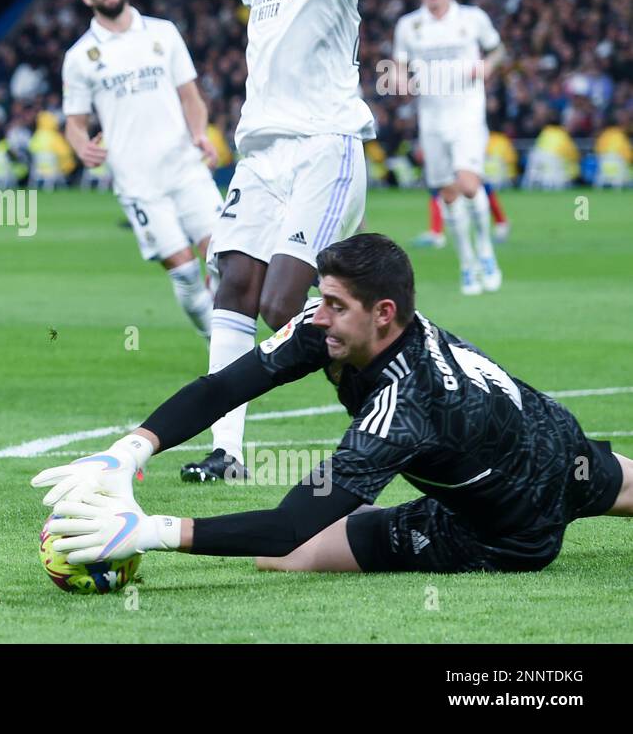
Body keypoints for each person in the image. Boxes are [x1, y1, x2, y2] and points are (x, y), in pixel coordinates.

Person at [33, 233, 632, 573]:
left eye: (336, 305)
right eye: (320, 298)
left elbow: (287, 528)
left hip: (507, 530)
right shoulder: (331, 328)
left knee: (283, 562)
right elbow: (224, 387)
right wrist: (130, 449)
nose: (318, 315)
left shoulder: (405, 408)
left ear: (385, 314)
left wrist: (152, 531)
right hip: (560, 442)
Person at [133, 0, 373, 480]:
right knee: (233, 285)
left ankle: (386, 361)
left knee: (281, 306)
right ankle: (228, 451)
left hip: (325, 147)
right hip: (261, 156)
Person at [62, 0, 223, 337]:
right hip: (138, 183)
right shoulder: (80, 57)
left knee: (225, 259)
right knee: (185, 272)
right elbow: (75, 123)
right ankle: (215, 344)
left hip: (186, 168)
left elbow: (191, 97)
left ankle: (225, 343)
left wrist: (199, 133)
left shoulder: (163, 33)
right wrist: (83, 148)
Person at [394, 0, 506, 294]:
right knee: (448, 192)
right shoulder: (409, 26)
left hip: (467, 114)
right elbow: (399, 64)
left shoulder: (472, 19)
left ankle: (486, 251)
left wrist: (487, 66)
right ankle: (468, 263)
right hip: (431, 117)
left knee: (469, 183)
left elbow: (497, 49)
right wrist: (401, 81)